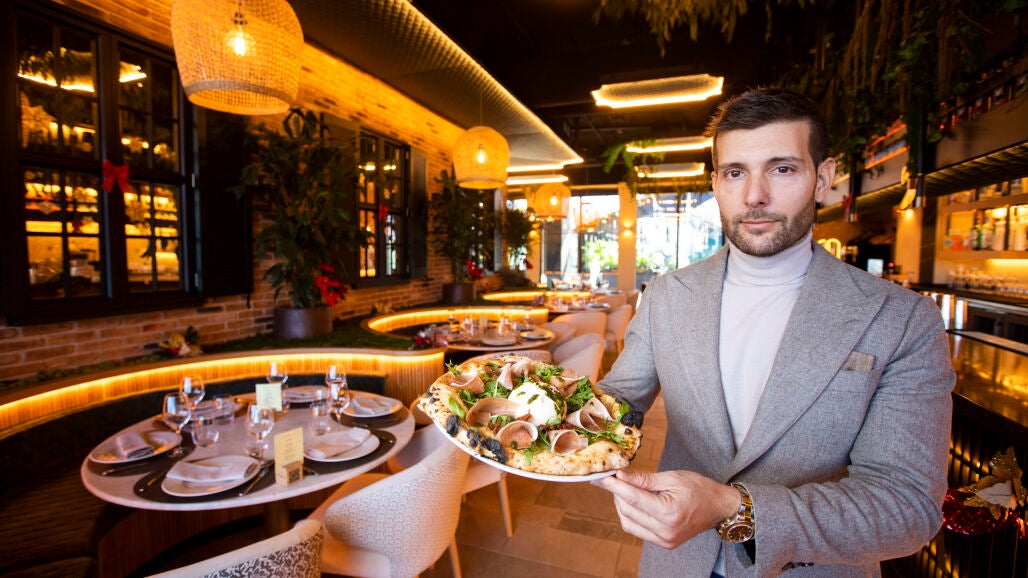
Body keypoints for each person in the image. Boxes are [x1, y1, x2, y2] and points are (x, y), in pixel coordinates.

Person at [593, 88, 954, 577]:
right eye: (734, 172)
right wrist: (546, 411)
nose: (753, 195)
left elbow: (906, 506)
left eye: (782, 169)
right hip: (676, 563)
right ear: (716, 183)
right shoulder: (667, 294)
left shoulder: (902, 319)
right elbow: (618, 403)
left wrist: (733, 507)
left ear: (822, 178)